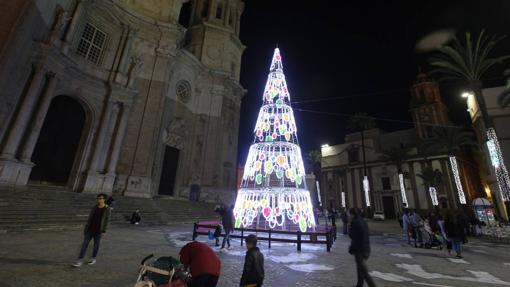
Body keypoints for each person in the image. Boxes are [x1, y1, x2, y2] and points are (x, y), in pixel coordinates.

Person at [72, 193, 111, 267]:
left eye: (100, 198)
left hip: (98, 231)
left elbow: (107, 220)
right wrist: (86, 228)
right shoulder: (95, 207)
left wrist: (104, 230)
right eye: (98, 198)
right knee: (84, 245)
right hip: (90, 229)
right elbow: (90, 218)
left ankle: (93, 258)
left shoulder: (107, 209)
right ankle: (79, 260)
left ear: (104, 199)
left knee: (96, 245)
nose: (99, 199)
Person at [348, 208, 376, 287]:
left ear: (352, 214)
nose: (348, 216)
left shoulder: (356, 223)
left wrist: (352, 248)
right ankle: (359, 285)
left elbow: (354, 238)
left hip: (360, 250)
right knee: (360, 269)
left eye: (349, 215)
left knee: (364, 272)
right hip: (365, 248)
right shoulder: (362, 221)